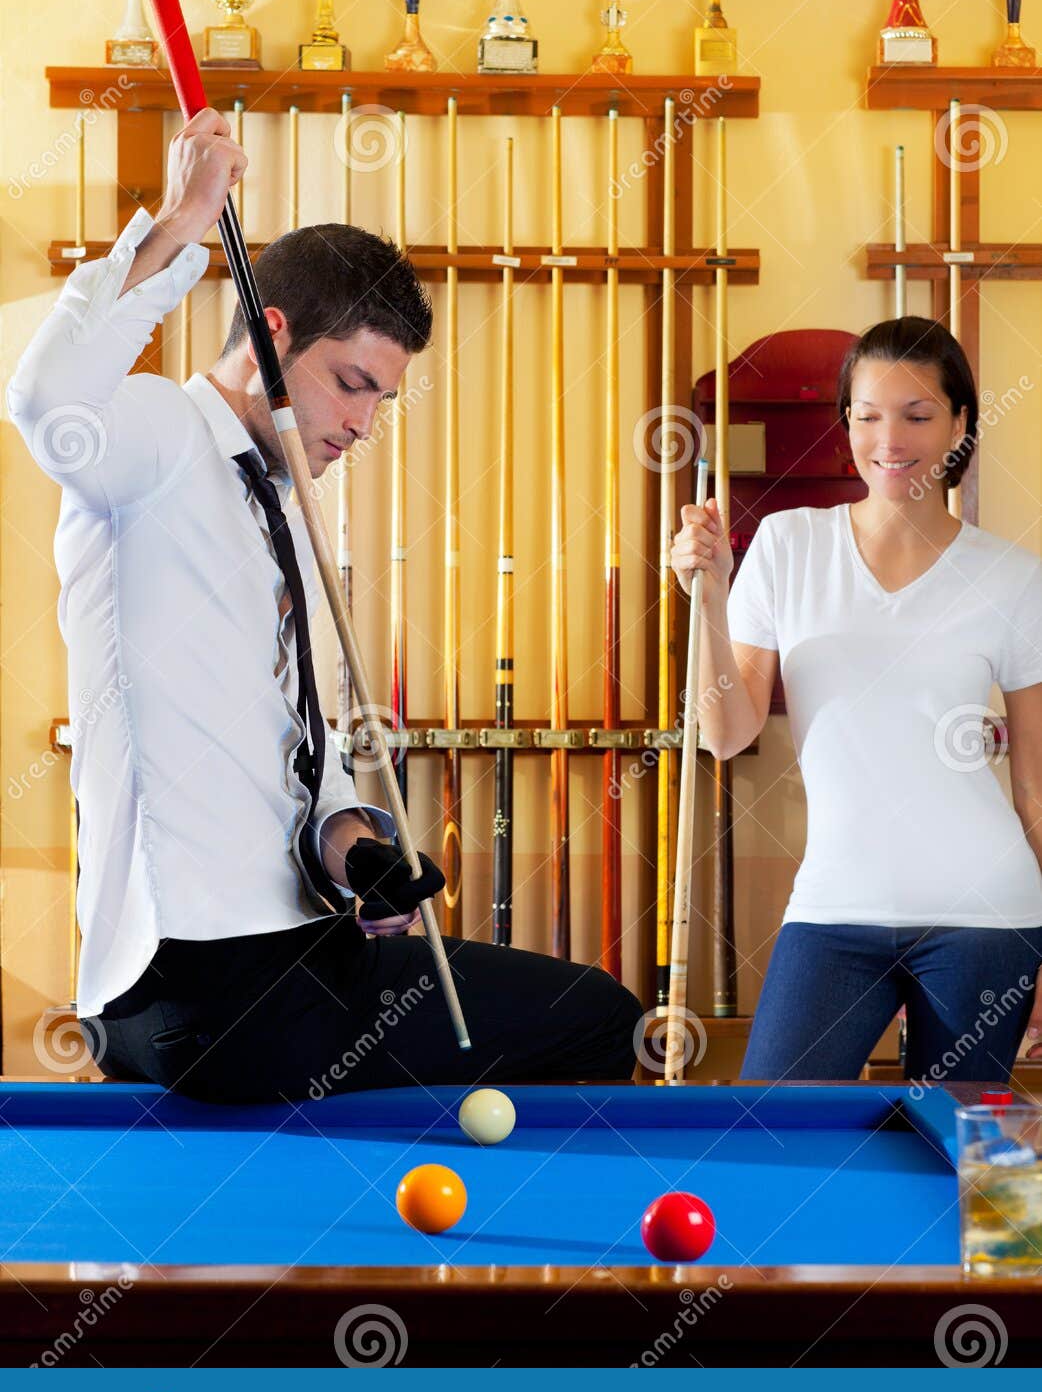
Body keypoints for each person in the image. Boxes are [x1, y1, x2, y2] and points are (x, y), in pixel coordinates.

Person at [8, 107, 641, 1104]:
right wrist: (177, 225)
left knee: (553, 1011)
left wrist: (354, 845)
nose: (361, 422)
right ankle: (533, 1263)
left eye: (381, 399)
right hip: (206, 984)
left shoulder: (287, 501)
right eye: (349, 384)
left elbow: (284, 743)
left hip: (283, 955)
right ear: (270, 335)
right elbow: (46, 400)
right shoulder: (161, 437)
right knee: (602, 1016)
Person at [671, 316, 1042, 1084]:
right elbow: (726, 733)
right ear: (847, 423)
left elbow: (1036, 788)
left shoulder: (1013, 576)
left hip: (988, 915)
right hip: (834, 907)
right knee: (772, 1133)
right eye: (868, 414)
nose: (889, 438)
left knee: (968, 1158)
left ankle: (990, 1212)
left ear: (960, 423)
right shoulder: (784, 544)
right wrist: (706, 598)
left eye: (917, 415)